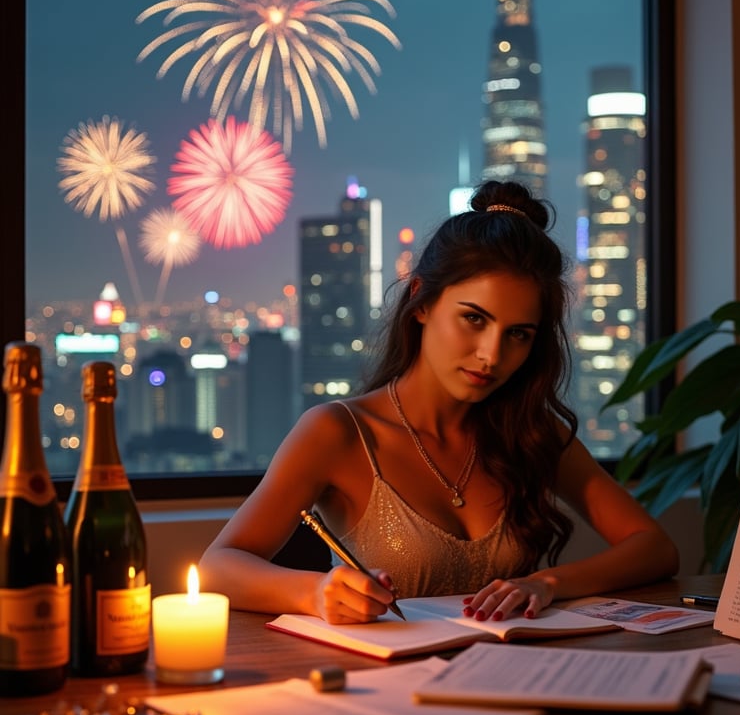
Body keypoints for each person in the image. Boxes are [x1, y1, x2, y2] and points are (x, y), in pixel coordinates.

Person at [199, 180, 679, 624]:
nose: (492, 355)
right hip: (385, 694)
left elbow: (656, 548)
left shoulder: (532, 433)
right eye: (474, 319)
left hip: (514, 686)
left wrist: (546, 583)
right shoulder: (339, 432)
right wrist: (315, 593)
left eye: (518, 334)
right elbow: (218, 568)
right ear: (422, 301)